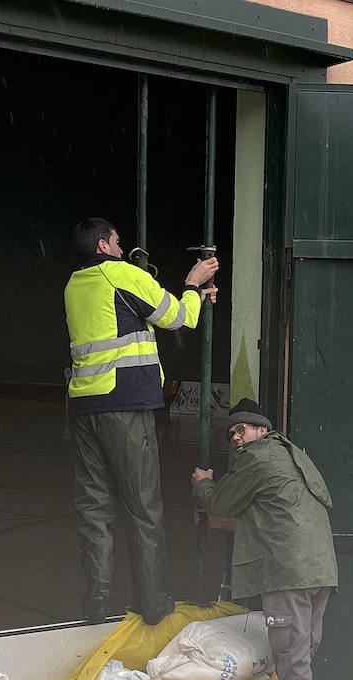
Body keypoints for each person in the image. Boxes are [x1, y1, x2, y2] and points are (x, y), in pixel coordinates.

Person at [64, 217, 218, 624]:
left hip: (84, 406)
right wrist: (193, 284)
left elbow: (128, 320)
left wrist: (192, 296)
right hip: (126, 405)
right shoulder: (123, 275)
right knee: (143, 508)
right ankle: (153, 603)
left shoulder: (74, 286)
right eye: (117, 241)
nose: (121, 246)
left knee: (94, 510)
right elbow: (181, 318)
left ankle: (97, 602)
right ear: (103, 245)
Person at [190, 399, 338, 680]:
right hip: (320, 570)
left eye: (242, 430)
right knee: (303, 649)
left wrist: (202, 483)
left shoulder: (259, 457)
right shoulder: (294, 455)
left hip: (288, 571)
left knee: (290, 652)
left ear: (262, 430)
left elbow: (220, 502)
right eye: (231, 435)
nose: (236, 439)